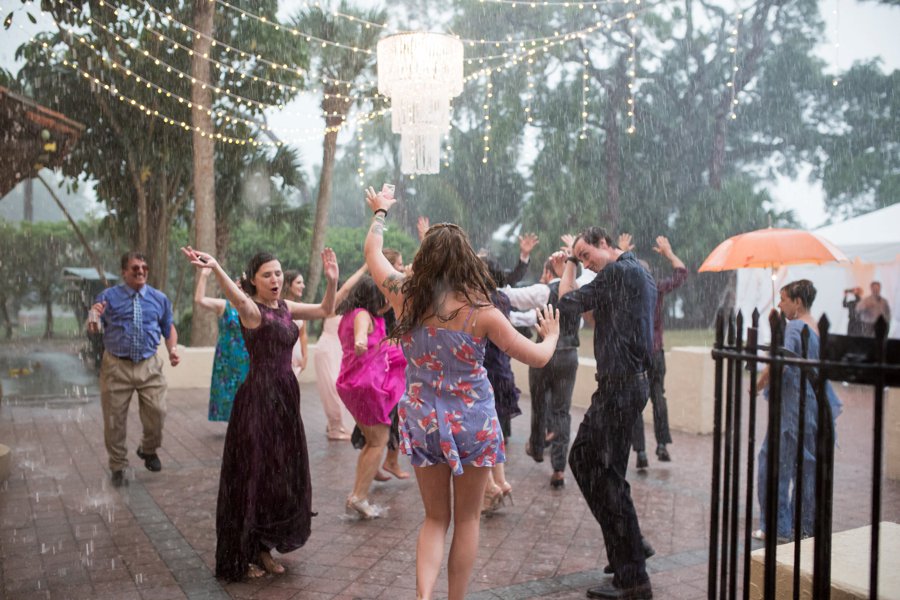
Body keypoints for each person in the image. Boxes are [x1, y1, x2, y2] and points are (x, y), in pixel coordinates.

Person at [364, 187, 560, 600]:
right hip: (472, 423)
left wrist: (380, 213)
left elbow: (372, 255)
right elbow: (538, 358)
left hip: (421, 420)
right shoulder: (482, 313)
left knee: (435, 519)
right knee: (467, 521)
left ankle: (423, 596)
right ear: (466, 260)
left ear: (426, 259)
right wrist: (552, 335)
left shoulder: (405, 297)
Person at [181, 246, 339, 581]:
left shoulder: (286, 308)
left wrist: (331, 280)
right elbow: (235, 298)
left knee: (278, 477)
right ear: (253, 280)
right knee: (252, 477)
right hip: (256, 402)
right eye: (267, 274)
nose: (275, 279)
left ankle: (264, 546)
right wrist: (218, 266)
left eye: (278, 273)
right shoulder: (252, 311)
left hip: (285, 401)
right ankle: (243, 552)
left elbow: (327, 309)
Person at [554, 226, 656, 600]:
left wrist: (566, 262)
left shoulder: (616, 272)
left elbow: (566, 303)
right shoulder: (639, 271)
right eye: (580, 258)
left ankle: (632, 577)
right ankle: (629, 546)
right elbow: (608, 322)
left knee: (584, 461)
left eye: (586, 255)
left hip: (618, 388)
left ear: (603, 245)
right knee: (608, 472)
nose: (586, 264)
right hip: (631, 384)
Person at [754, 280, 842, 542]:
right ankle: (804, 525)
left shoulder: (795, 327)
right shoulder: (816, 327)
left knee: (773, 465)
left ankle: (776, 525)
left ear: (798, 302)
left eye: (783, 299)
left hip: (792, 408)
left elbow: (780, 363)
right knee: (806, 467)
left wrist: (757, 385)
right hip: (813, 408)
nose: (780, 304)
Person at [87, 251, 181, 487]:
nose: (140, 271)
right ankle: (118, 466)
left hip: (149, 365)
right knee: (114, 419)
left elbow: (167, 328)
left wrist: (172, 349)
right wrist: (93, 319)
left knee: (157, 411)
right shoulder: (108, 296)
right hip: (116, 366)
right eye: (135, 268)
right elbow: (94, 326)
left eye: (144, 268)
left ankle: (148, 449)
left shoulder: (159, 298)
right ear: (124, 272)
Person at [335, 275, 408, 518]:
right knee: (379, 440)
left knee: (372, 441)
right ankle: (358, 497)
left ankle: (357, 495)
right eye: (385, 297)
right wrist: (360, 341)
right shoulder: (363, 315)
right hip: (365, 384)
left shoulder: (351, 313)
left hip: (355, 383)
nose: (388, 302)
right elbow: (360, 335)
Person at [619, 234, 687, 469]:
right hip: (656, 351)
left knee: (636, 401)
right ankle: (662, 445)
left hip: (635, 355)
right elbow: (681, 274)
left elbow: (611, 273)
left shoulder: (626, 294)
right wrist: (669, 254)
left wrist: (622, 252)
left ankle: (640, 452)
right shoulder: (656, 289)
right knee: (658, 396)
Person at [521, 256, 581, 489]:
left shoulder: (542, 291)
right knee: (562, 411)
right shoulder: (576, 292)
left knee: (538, 402)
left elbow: (511, 297)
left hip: (543, 353)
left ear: (548, 273)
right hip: (568, 355)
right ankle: (558, 468)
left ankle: (537, 447)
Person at [313, 264, 369, 441]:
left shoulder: (350, 310)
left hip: (340, 351)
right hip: (327, 349)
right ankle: (335, 427)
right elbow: (345, 289)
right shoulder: (331, 306)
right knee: (332, 388)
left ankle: (336, 424)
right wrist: (365, 267)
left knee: (341, 389)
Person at [194, 267, 250, 422]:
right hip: (226, 356)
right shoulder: (224, 306)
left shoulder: (252, 307)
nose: (238, 289)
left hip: (248, 356)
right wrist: (204, 275)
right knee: (228, 391)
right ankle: (234, 425)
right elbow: (200, 300)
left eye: (242, 286)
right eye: (236, 286)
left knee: (247, 391)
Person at [283, 270, 309, 380]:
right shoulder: (278, 306)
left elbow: (303, 334)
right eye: (298, 283)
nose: (303, 286)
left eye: (302, 283)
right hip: (281, 358)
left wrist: (305, 356)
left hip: (296, 360)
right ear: (288, 285)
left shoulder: (301, 307)